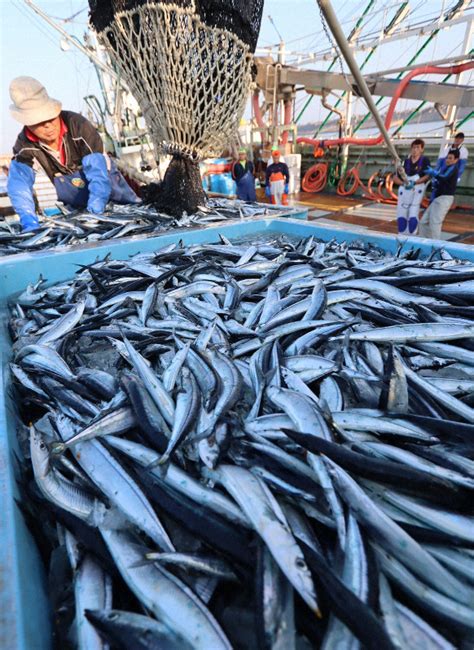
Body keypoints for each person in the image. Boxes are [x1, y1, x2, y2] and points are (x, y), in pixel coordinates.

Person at [7, 77, 139, 232]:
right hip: (77, 212)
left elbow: (98, 175)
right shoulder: (25, 147)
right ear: (28, 123)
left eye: (50, 118)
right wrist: (28, 220)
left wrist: (95, 214)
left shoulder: (78, 126)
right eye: (39, 122)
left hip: (120, 204)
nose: (48, 125)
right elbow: (19, 186)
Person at [418, 149, 460, 240]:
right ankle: (424, 241)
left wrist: (434, 173)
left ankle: (435, 245)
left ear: (456, 160)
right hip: (438, 198)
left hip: (444, 198)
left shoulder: (453, 168)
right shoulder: (446, 168)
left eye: (450, 158)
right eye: (447, 158)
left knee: (435, 222)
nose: (448, 160)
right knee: (423, 221)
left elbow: (444, 178)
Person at [392, 139, 430, 235]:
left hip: (417, 190)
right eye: (413, 147)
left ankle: (412, 236)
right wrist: (403, 183)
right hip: (404, 190)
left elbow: (427, 176)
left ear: (422, 149)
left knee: (413, 214)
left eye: (417, 147)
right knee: (401, 216)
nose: (415, 150)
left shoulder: (425, 161)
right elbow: (395, 177)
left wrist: (415, 182)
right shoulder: (405, 162)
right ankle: (401, 235)